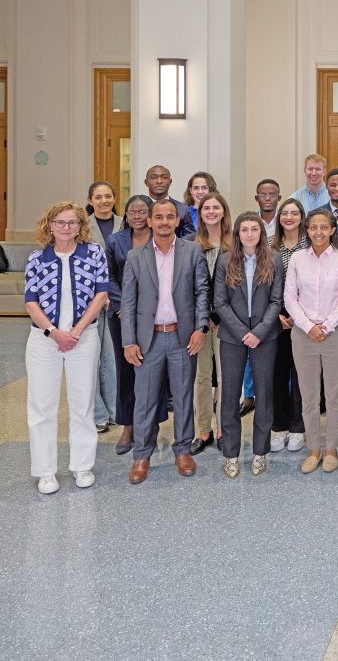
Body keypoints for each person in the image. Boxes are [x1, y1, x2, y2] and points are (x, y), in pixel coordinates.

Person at [120, 198, 210, 485]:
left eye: (169, 217)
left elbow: (201, 293)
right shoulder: (136, 256)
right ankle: (142, 454)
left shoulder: (192, 250)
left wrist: (200, 329)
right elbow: (129, 302)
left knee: (184, 397)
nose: (164, 222)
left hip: (183, 337)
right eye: (158, 217)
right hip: (148, 340)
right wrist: (128, 342)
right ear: (149, 221)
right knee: (144, 400)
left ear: (176, 220)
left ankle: (183, 450)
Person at [24, 202, 109, 494]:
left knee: (82, 402)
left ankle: (82, 466)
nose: (65, 228)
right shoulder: (37, 258)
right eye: (59, 222)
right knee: (41, 405)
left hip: (83, 338)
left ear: (80, 226)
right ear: (49, 225)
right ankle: (46, 471)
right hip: (43, 340)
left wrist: (75, 331)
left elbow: (101, 293)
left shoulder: (94, 253)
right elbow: (31, 301)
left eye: (72, 223)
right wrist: (53, 332)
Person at [283, 209, 338, 473]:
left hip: (336, 334)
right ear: (307, 230)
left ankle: (332, 448)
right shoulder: (298, 260)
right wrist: (308, 326)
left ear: (333, 230)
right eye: (313, 227)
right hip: (303, 335)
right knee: (309, 396)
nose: (319, 232)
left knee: (335, 396)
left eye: (324, 227)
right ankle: (314, 449)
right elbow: (290, 298)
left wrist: (326, 325)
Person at [214, 212, 284, 478]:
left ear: (261, 233)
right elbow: (219, 302)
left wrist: (260, 332)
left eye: (255, 229)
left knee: (264, 394)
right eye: (245, 229)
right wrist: (244, 332)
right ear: (237, 233)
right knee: (230, 395)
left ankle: (260, 452)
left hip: (265, 337)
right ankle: (231, 454)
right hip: (233, 336)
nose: (250, 234)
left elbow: (277, 301)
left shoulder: (274, 259)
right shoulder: (224, 261)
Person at [104, 195, 168, 455]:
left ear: (151, 216)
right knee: (127, 370)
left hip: (155, 317)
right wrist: (122, 307)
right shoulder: (115, 241)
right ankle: (128, 426)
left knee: (156, 370)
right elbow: (108, 276)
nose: (138, 216)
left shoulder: (161, 240)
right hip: (122, 316)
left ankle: (153, 424)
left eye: (143, 211)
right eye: (133, 212)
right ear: (126, 215)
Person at [188, 193, 231, 455]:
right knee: (201, 378)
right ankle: (203, 431)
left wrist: (221, 315)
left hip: (227, 323)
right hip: (199, 323)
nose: (211, 211)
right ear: (200, 213)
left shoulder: (234, 244)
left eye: (216, 207)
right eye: (207, 208)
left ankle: (224, 430)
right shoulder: (190, 245)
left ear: (224, 211)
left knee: (227, 378)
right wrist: (203, 318)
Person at [269, 198, 308, 453]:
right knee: (277, 374)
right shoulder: (270, 248)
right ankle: (279, 426)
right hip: (277, 318)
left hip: (304, 318)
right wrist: (277, 316)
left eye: (295, 213)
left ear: (302, 217)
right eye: (285, 213)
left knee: (302, 376)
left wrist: (300, 315)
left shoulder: (310, 247)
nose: (289, 217)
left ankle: (298, 427)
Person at [86, 181, 122, 434]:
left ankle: (114, 410)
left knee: (112, 357)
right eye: (98, 197)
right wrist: (101, 292)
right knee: (91, 358)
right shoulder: (81, 225)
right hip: (89, 299)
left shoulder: (124, 222)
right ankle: (98, 413)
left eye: (108, 196)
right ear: (90, 200)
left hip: (118, 298)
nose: (103, 201)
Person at [144, 165, 193, 237]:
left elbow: (190, 239)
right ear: (146, 182)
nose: (159, 181)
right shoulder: (138, 210)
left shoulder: (183, 209)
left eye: (164, 177)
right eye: (154, 178)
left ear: (170, 182)